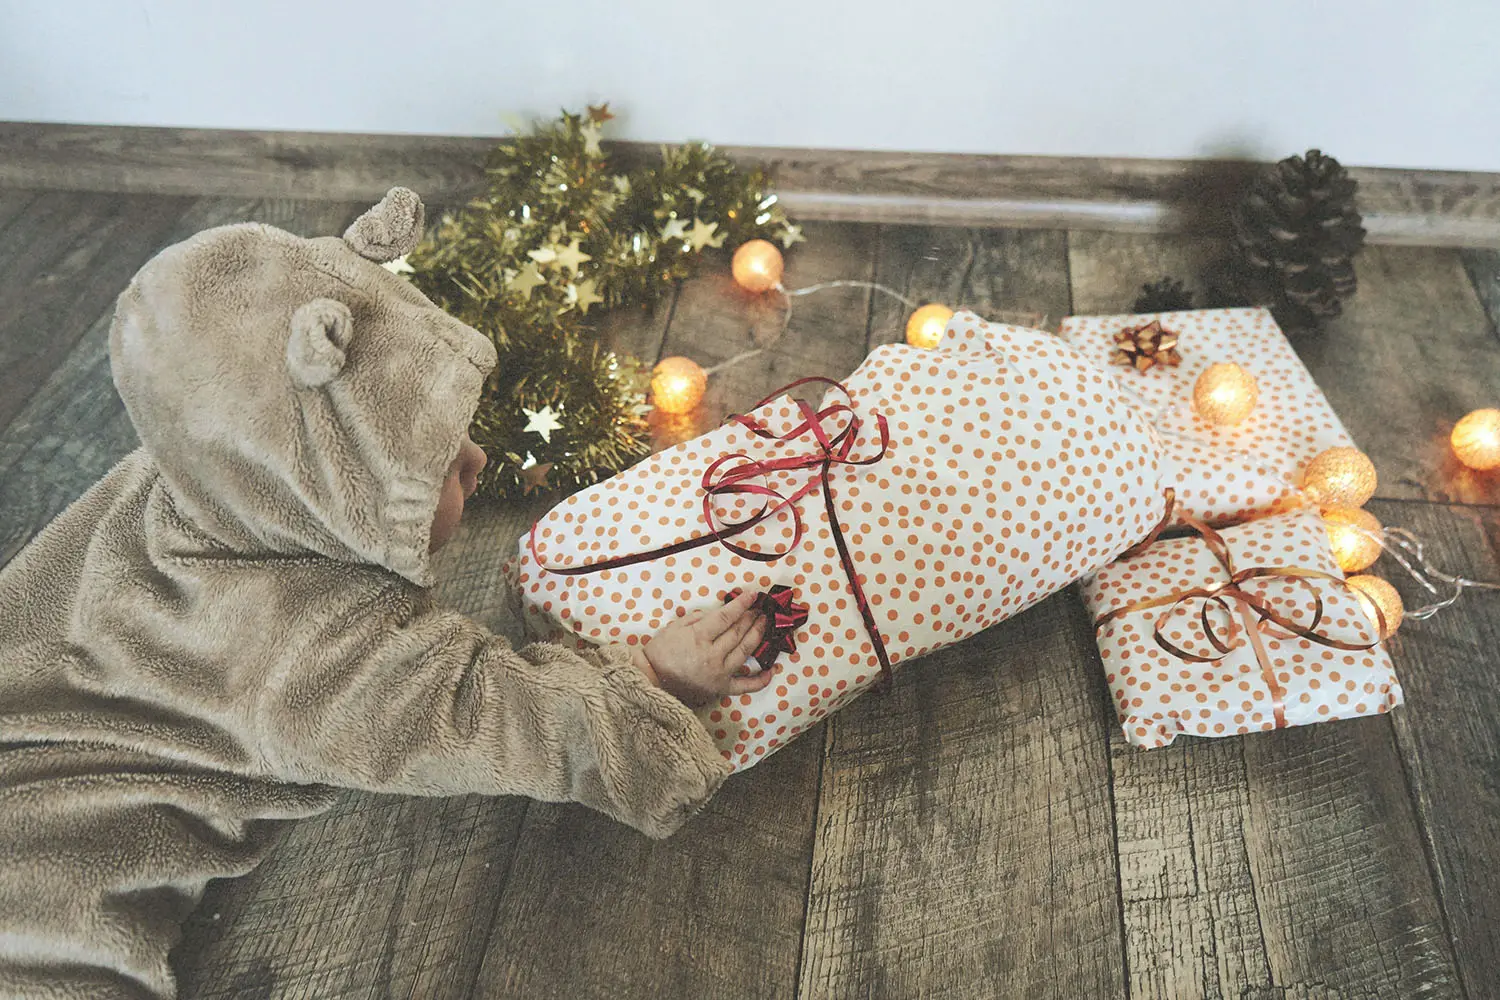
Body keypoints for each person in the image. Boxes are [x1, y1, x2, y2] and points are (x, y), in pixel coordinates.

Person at [0, 188, 773, 999]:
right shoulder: (311, 654)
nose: (475, 460)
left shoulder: (206, 464)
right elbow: (491, 715)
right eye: (437, 466)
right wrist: (655, 676)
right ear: (316, 486)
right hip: (40, 858)